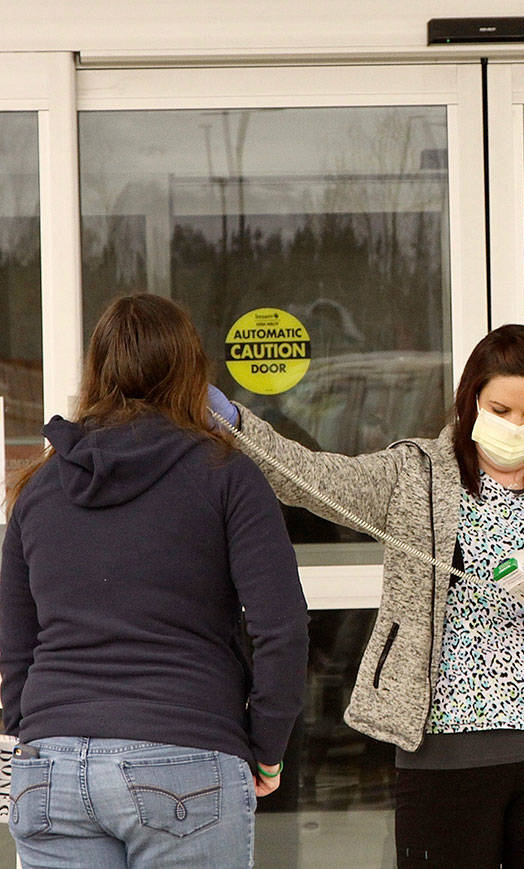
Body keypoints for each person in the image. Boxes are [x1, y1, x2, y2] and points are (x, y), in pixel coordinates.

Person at [208, 323, 524, 868]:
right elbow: (309, 478)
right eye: (500, 409)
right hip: (445, 753)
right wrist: (236, 425)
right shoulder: (415, 474)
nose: (515, 426)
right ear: (471, 399)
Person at [0, 294, 309, 868]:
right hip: (186, 753)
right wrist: (266, 746)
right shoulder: (228, 476)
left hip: (51, 764)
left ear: (97, 371)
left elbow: (14, 640)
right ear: (191, 371)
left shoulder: (38, 488)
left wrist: (32, 729)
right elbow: (281, 627)